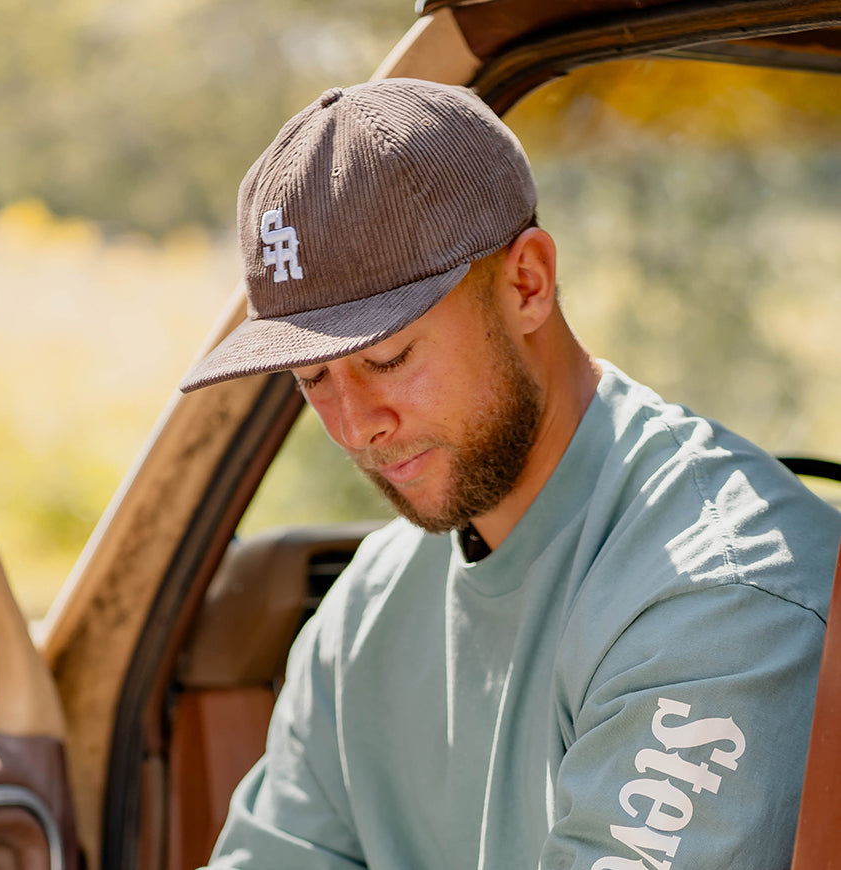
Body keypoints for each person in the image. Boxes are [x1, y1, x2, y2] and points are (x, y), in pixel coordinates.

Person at [180, 78, 841, 869]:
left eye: (387, 358)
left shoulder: (722, 599)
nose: (356, 427)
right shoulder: (364, 612)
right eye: (312, 381)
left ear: (527, 283)